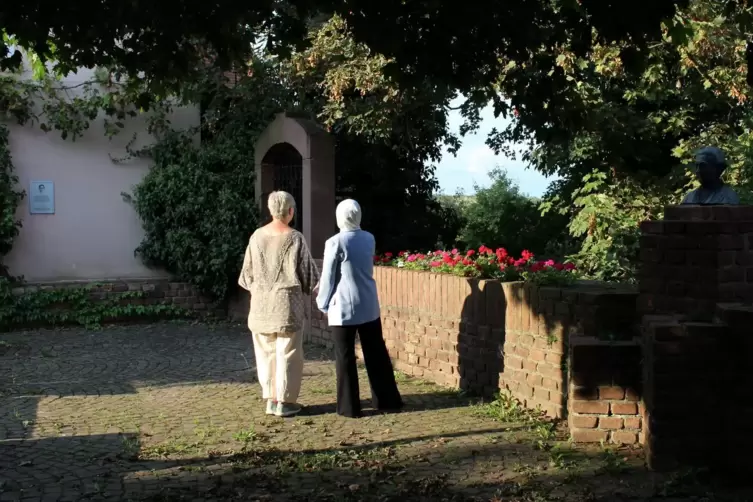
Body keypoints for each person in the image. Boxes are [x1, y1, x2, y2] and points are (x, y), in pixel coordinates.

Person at [316, 199, 402, 418]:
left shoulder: (335, 242)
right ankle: (387, 400)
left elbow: (328, 277)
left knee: (345, 357)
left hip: (343, 306)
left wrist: (322, 302)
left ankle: (349, 406)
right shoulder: (369, 238)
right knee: (376, 354)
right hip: (368, 303)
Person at [238, 191, 319, 417]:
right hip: (287, 305)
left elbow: (246, 276)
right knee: (288, 353)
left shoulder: (256, 236)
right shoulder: (295, 238)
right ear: (290, 211)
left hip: (261, 305)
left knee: (266, 353)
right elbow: (309, 275)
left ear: (271, 210)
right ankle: (285, 401)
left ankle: (271, 400)